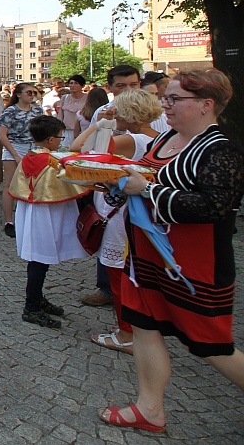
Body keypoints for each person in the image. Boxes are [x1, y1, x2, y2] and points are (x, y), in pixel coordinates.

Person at [101, 69, 244, 434]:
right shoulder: (164, 140)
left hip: (194, 267)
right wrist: (113, 185)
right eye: (167, 98)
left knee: (211, 344)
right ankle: (149, 409)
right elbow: (141, 181)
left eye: (174, 99)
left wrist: (145, 191)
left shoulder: (220, 149)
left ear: (206, 105)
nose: (165, 105)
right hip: (147, 257)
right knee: (145, 327)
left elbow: (215, 207)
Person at [70, 89, 162, 353]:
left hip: (119, 213)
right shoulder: (160, 138)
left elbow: (79, 149)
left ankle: (127, 333)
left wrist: (99, 123)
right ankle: (135, 327)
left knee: (119, 276)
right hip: (136, 211)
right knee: (131, 274)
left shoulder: (131, 141)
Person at [9, 115, 90, 328]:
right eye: (60, 137)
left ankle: (37, 298)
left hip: (33, 211)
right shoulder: (52, 161)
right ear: (51, 140)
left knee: (38, 260)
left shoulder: (30, 155)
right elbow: (75, 183)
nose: (62, 141)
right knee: (39, 260)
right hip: (45, 215)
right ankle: (32, 307)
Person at [0, 83, 44, 237]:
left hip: (34, 147)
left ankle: (28, 218)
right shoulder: (11, 111)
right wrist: (16, 155)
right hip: (15, 146)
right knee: (10, 184)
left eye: (34, 93)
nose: (31, 95)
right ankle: (9, 220)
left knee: (32, 184)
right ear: (18, 94)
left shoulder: (38, 110)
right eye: (28, 92)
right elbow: (2, 135)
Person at [56, 75, 87, 146]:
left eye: (76, 83)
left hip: (82, 132)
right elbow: (60, 116)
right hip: (66, 132)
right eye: (71, 83)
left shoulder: (88, 98)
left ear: (82, 86)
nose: (73, 85)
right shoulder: (65, 98)